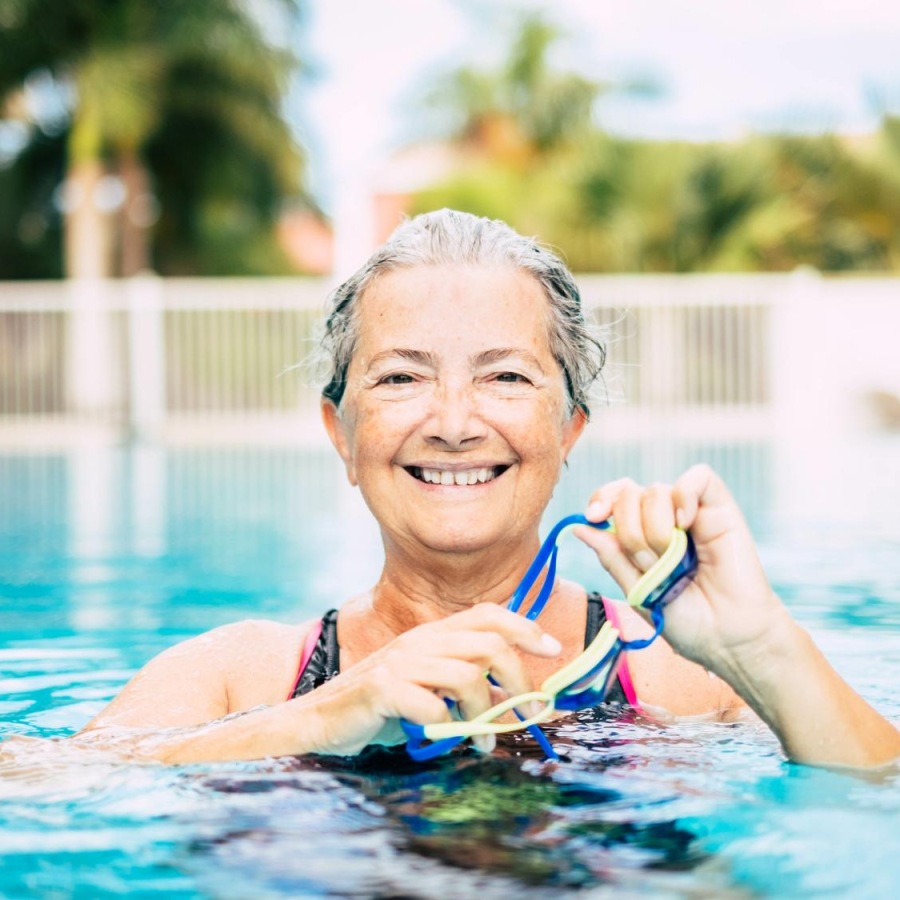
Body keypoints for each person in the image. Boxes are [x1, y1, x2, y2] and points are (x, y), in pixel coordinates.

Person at [62, 210, 900, 768]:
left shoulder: (682, 680)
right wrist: (320, 716)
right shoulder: (242, 681)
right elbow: (33, 788)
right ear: (340, 435)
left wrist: (762, 653)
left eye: (504, 376)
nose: (454, 422)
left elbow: (877, 798)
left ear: (569, 429)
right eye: (400, 379)